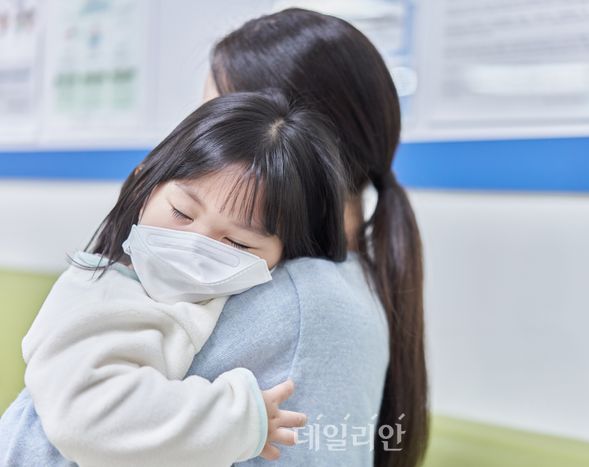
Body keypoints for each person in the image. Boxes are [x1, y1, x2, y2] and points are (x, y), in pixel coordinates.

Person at [1, 8, 428, 467]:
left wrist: (240, 421)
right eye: (184, 211)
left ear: (287, 138)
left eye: (217, 112)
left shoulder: (308, 302)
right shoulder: (132, 284)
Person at [1, 91, 347, 466]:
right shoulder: (95, 295)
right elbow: (87, 416)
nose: (195, 246)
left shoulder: (280, 297)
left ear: (286, 255)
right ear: (144, 186)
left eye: (237, 242)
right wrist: (238, 421)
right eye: (182, 212)